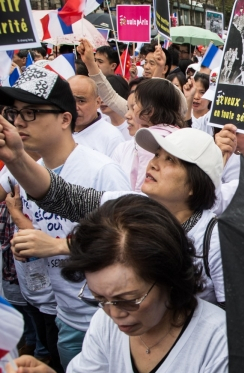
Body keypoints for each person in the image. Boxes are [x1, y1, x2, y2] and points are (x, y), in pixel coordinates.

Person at [3, 195, 228, 373]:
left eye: (129, 299)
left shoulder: (219, 340)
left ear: (170, 278)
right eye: (98, 298)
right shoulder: (104, 325)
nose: (115, 314)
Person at [0, 124, 227, 308]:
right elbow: (62, 197)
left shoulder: (215, 241)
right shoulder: (130, 206)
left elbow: (233, 318)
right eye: (157, 155)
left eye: (171, 160)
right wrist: (17, 158)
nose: (154, 164)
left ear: (195, 186)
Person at [0, 66, 131, 370]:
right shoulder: (24, 167)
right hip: (61, 312)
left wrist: (57, 246)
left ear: (64, 118)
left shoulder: (101, 171)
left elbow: (128, 241)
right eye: (14, 112)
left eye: (31, 112)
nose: (19, 121)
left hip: (104, 319)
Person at [68, 75, 125, 157]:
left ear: (97, 102)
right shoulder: (58, 131)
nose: (75, 107)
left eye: (81, 101)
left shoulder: (112, 138)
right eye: (71, 101)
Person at [102, 75, 130, 140]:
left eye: (105, 96)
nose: (101, 100)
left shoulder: (134, 125)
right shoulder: (100, 125)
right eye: (99, 95)